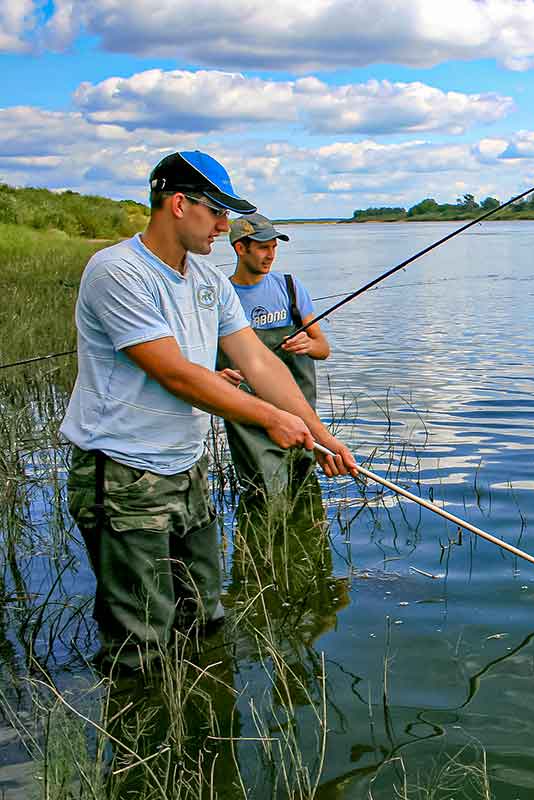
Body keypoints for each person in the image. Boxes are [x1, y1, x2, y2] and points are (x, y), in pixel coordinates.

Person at [60, 150, 357, 673]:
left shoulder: (207, 280)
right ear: (179, 203)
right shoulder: (116, 272)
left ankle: (209, 736)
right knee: (141, 644)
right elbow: (176, 374)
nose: (225, 225)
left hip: (188, 467)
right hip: (125, 471)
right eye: (216, 211)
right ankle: (147, 742)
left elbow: (259, 363)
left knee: (206, 617)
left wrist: (320, 433)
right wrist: (268, 418)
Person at [216, 213, 328, 500]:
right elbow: (200, 364)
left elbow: (322, 348)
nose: (271, 255)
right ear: (241, 248)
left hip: (302, 415)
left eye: (274, 247)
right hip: (249, 425)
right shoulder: (222, 295)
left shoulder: (289, 287)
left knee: (304, 495)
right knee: (262, 497)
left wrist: (307, 344)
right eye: (264, 247)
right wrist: (216, 375)